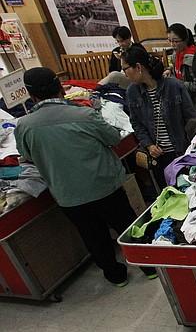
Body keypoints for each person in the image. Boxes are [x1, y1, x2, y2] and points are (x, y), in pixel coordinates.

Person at [14, 67, 158, 287]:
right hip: (104, 186)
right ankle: (149, 267)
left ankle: (116, 276)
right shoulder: (85, 115)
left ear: (31, 95)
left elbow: (26, 155)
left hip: (68, 195)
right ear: (61, 88)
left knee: (93, 237)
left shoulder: (24, 126)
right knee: (128, 226)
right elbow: (113, 138)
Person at [124, 46, 196, 192]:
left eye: (125, 69)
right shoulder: (132, 92)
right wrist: (149, 145)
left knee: (189, 192)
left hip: (181, 153)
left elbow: (192, 120)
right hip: (158, 158)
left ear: (138, 67)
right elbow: (136, 123)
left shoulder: (174, 86)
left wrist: (193, 151)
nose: (124, 74)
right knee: (169, 195)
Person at [164, 23, 196, 113]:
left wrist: (178, 84)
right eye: (169, 41)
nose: (172, 45)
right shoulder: (175, 55)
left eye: (175, 41)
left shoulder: (193, 59)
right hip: (184, 99)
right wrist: (169, 70)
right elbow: (177, 69)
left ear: (185, 40)